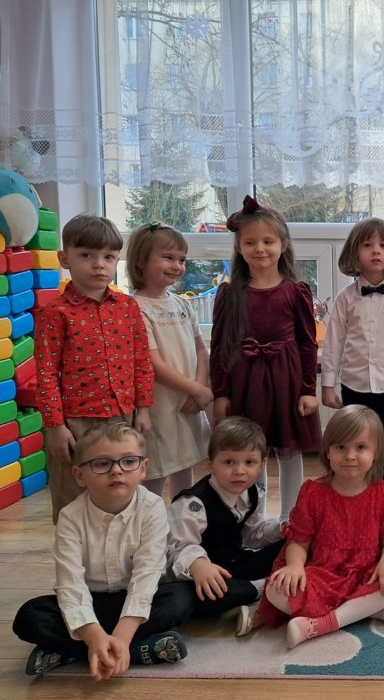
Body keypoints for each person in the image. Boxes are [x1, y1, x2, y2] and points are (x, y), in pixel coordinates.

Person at [12, 422, 191, 678]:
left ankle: (74, 651)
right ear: (79, 475)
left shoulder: (152, 507)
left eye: (128, 461)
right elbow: (70, 583)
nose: (116, 470)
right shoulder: (70, 517)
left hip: (135, 602)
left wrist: (122, 634)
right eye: (101, 463)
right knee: (30, 616)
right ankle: (136, 649)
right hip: (91, 602)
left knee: (180, 598)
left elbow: (147, 574)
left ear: (143, 469)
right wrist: (93, 635)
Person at [259, 405, 384, 649]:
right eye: (341, 447)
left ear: (376, 453)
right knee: (275, 589)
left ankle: (323, 623)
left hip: (366, 572)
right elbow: (298, 541)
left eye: (361, 447)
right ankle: (363, 611)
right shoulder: (313, 492)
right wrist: (295, 567)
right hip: (321, 573)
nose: (350, 455)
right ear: (327, 451)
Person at [35, 214, 154, 523]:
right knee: (73, 493)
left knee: (121, 490)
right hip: (75, 422)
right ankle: (75, 551)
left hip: (123, 416)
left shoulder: (127, 307)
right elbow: (45, 374)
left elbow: (141, 361)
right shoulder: (55, 312)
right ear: (65, 259)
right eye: (87, 255)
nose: (99, 264)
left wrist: (143, 408)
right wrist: (55, 426)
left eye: (108, 257)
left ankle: (119, 548)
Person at [210, 195, 321, 520]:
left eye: (268, 241)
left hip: (287, 381)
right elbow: (220, 347)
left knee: (289, 453)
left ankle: (290, 520)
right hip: (245, 384)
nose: (260, 248)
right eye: (251, 242)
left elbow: (307, 344)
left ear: (283, 245)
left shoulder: (296, 291)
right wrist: (221, 394)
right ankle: (254, 520)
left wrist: (308, 389)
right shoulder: (230, 293)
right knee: (250, 450)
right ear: (239, 247)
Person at [321, 217, 384, 484]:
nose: (376, 251)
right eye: (368, 245)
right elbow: (333, 343)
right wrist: (327, 386)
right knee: (354, 449)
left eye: (383, 245)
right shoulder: (345, 298)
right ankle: (357, 496)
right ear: (355, 252)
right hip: (354, 387)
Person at [167, 417, 284, 633]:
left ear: (261, 465)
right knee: (202, 597)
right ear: (211, 464)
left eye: (249, 462)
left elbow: (254, 535)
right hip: (203, 575)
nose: (239, 470)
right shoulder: (192, 504)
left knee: (292, 544)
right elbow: (178, 548)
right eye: (229, 462)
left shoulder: (254, 493)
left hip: (235, 562)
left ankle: (265, 586)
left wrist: (282, 529)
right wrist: (198, 564)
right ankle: (264, 588)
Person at [126, 222, 211, 499]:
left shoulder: (182, 303)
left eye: (182, 259)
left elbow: (201, 350)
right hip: (158, 407)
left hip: (187, 404)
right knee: (155, 470)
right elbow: (152, 362)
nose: (177, 266)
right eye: (168, 257)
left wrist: (198, 390)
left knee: (185, 466)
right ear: (141, 261)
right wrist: (196, 389)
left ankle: (181, 521)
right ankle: (147, 523)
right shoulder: (134, 308)